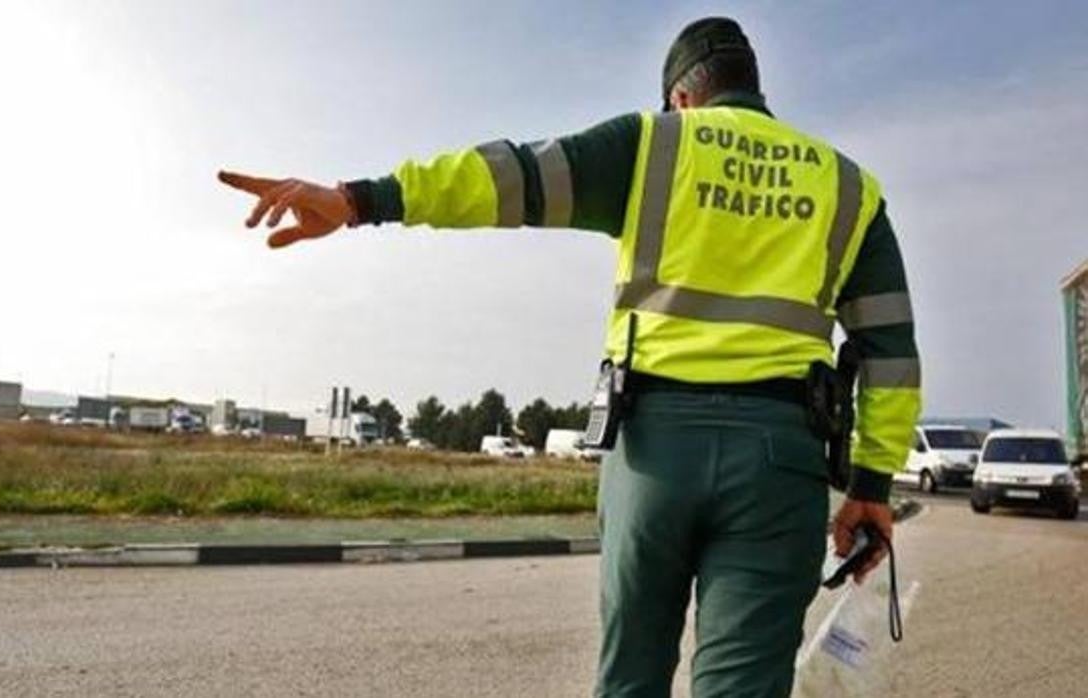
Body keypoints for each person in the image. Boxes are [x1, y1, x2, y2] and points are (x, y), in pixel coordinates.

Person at [219, 16, 920, 698]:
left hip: (652, 452)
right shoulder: (849, 188)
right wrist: (871, 487)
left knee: (630, 676)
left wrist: (358, 200)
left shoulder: (653, 145)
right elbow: (889, 351)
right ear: (754, 88)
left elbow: (506, 177)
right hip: (781, 462)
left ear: (681, 96)